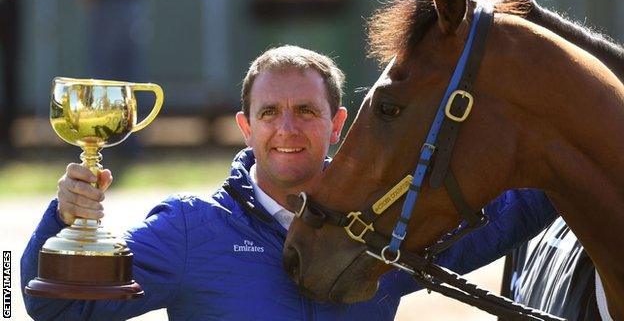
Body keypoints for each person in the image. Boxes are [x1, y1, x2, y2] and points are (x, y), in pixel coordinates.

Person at [21, 45, 557, 320]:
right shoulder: (189, 228)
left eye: (305, 110)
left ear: (338, 124)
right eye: (270, 112)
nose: (287, 129)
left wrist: (586, 150)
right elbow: (55, 308)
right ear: (246, 127)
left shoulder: (381, 228)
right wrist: (63, 221)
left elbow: (514, 210)